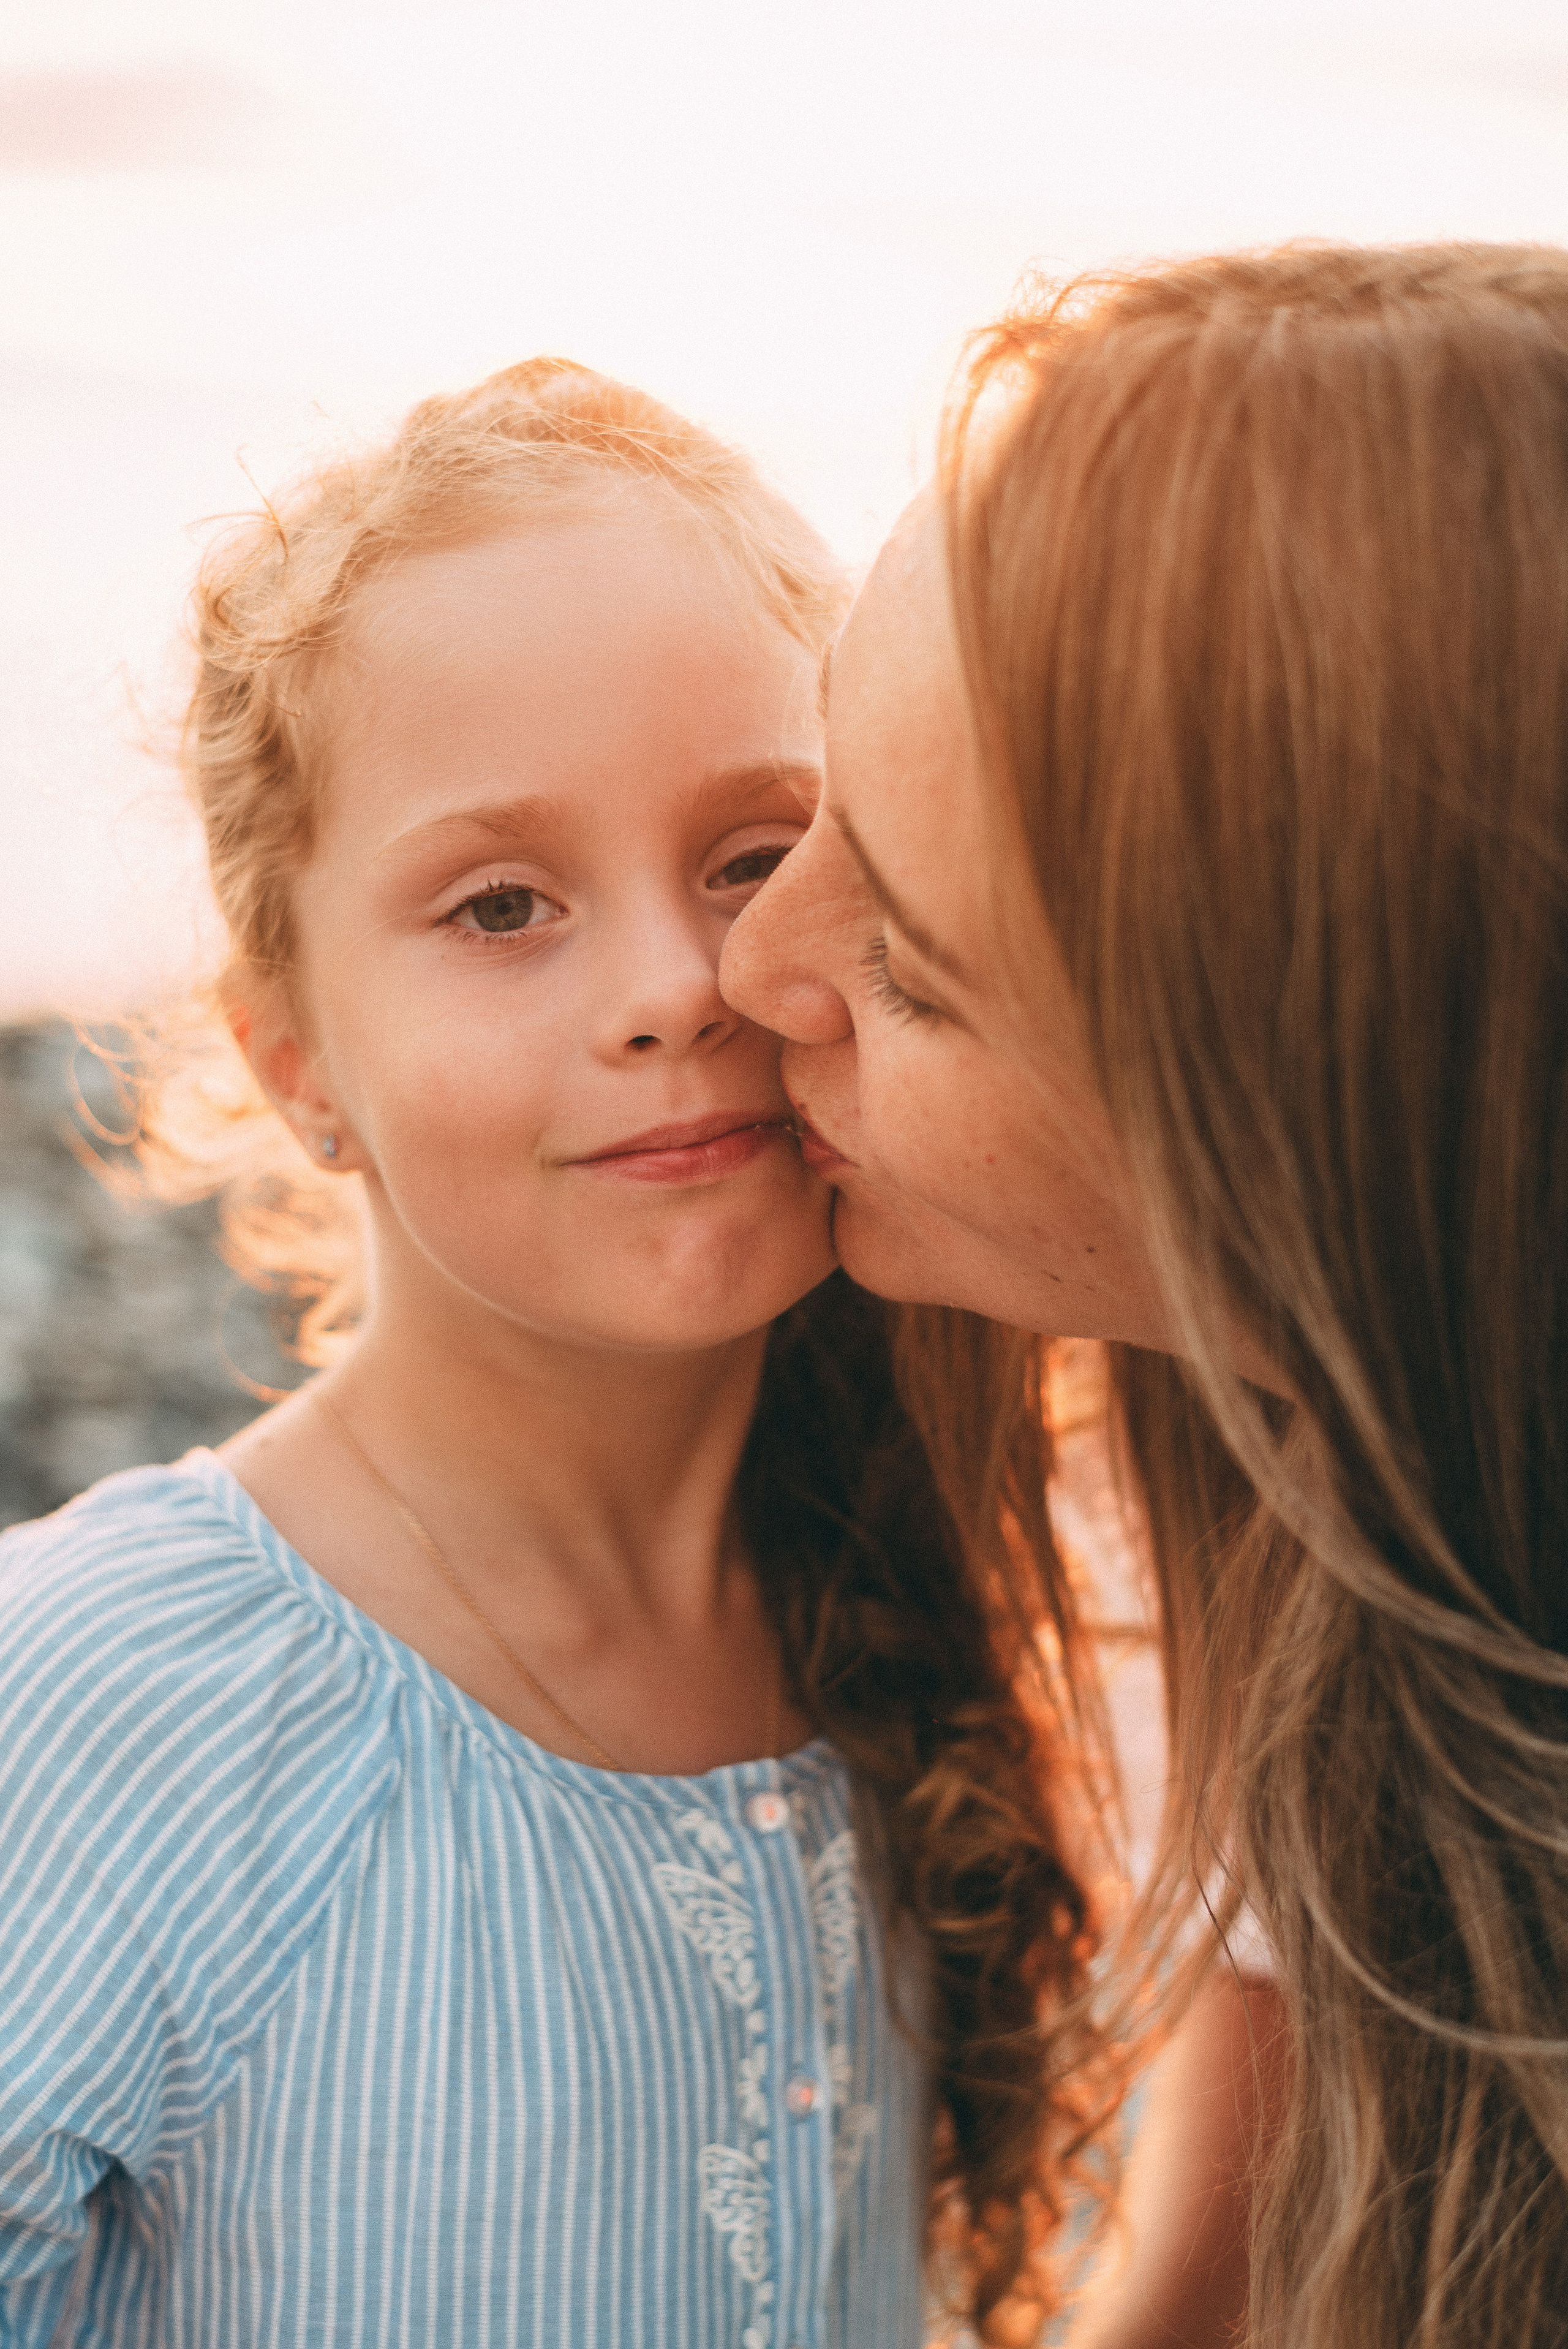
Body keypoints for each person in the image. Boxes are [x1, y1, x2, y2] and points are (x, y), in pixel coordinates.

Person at [0, 361, 1118, 2348]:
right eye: (502, 902)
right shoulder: (96, 1706)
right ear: (292, 1059)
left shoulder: (924, 1600)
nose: (677, 987)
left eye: (754, 856)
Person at [722, 242, 1568, 2349]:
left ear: (1313, 1156)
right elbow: (1230, 2278)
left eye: (911, 964)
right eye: (807, 803)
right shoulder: (1298, 1504)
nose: (751, 973)